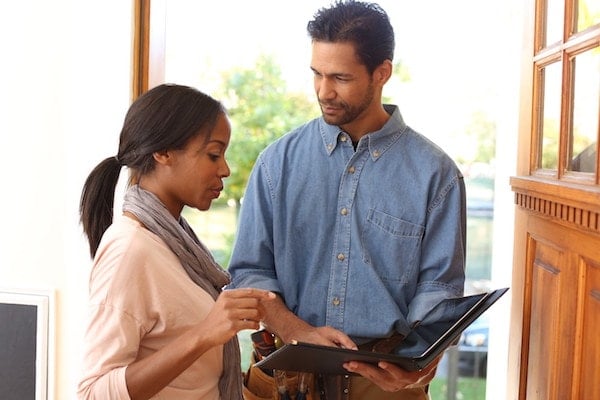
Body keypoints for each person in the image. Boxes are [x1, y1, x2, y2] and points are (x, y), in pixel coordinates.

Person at [228, 1, 466, 399]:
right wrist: (298, 332)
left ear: (382, 73)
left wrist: (419, 366)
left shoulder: (435, 174)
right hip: (285, 375)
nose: (324, 91)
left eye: (340, 77)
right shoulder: (277, 163)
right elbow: (249, 273)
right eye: (317, 74)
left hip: (382, 384)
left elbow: (439, 293)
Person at [77, 83, 275, 400]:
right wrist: (204, 334)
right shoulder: (130, 249)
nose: (225, 169)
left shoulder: (176, 245)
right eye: (213, 154)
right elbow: (94, 392)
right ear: (163, 152)